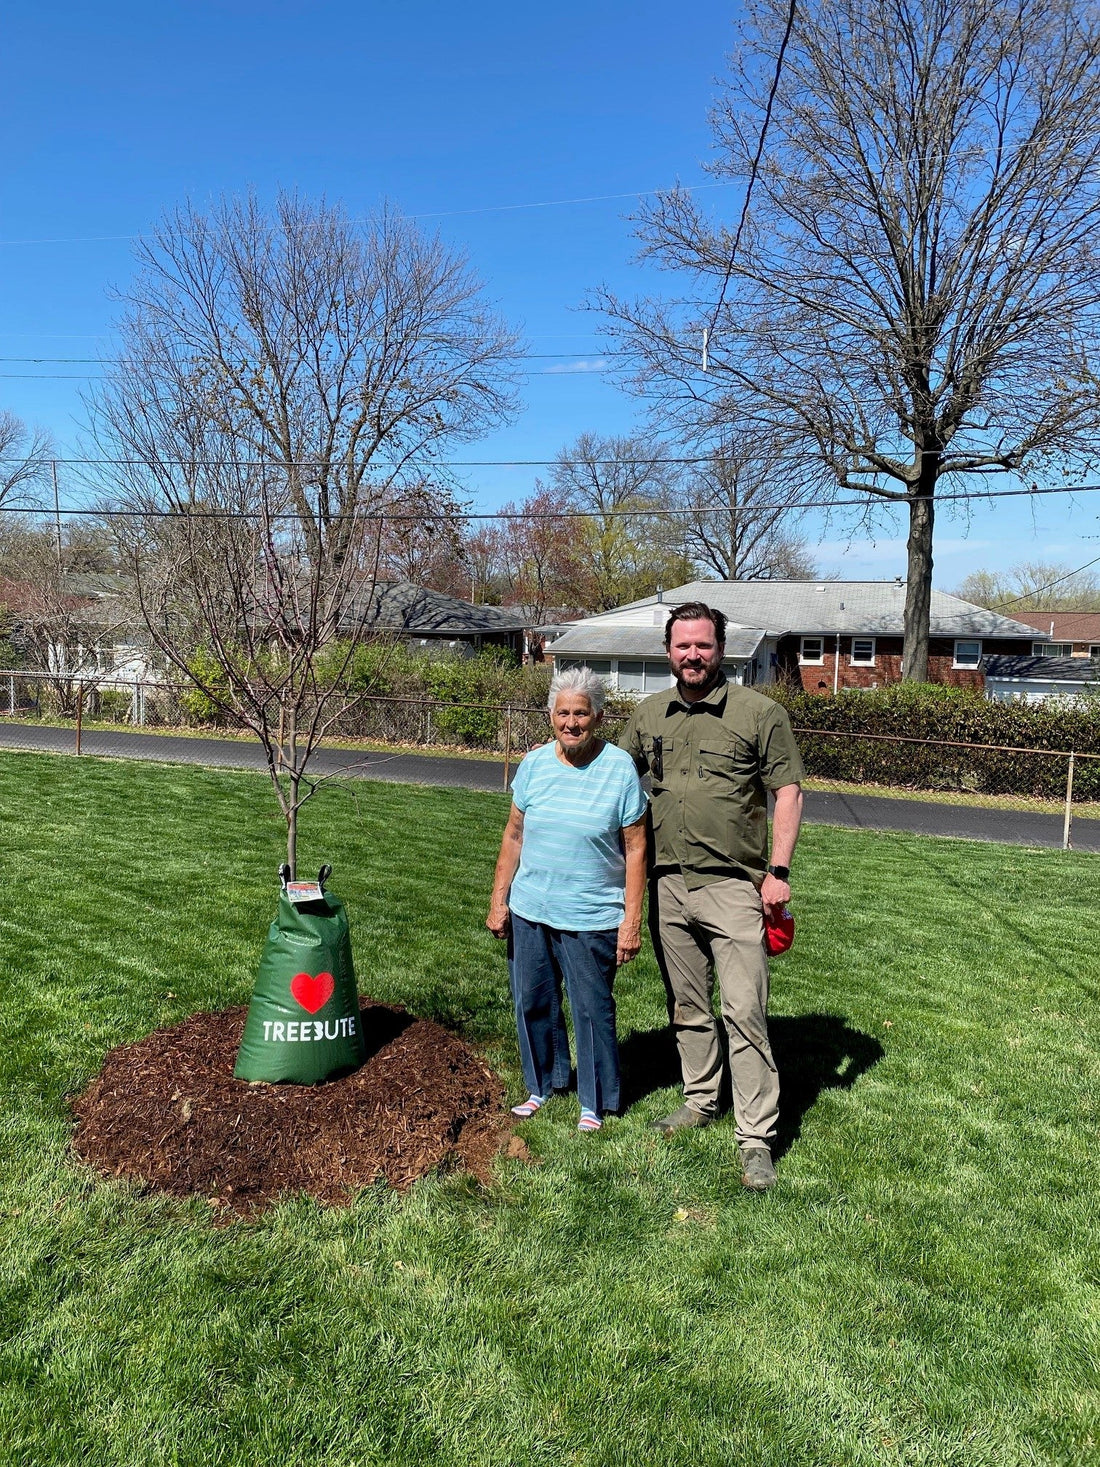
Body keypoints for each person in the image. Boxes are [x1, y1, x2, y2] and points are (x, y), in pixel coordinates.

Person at [620, 601, 804, 1190]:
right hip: (668, 884)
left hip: (735, 887)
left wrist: (777, 870)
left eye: (702, 645)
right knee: (687, 1007)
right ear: (668, 652)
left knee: (744, 1010)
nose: (692, 655)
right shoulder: (649, 714)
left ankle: (756, 1136)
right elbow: (616, 783)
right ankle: (700, 1100)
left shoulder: (759, 712)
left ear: (720, 650)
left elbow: (789, 792)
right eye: (682, 646)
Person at [487, 667, 648, 1131]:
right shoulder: (534, 765)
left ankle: (593, 1102)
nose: (571, 722)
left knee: (592, 1009)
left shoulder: (618, 768)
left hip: (591, 913)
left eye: (581, 713)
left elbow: (636, 846)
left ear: (598, 717)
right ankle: (543, 1085)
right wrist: (500, 899)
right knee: (532, 1000)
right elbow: (514, 834)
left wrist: (630, 919)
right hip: (531, 907)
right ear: (551, 716)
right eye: (563, 713)